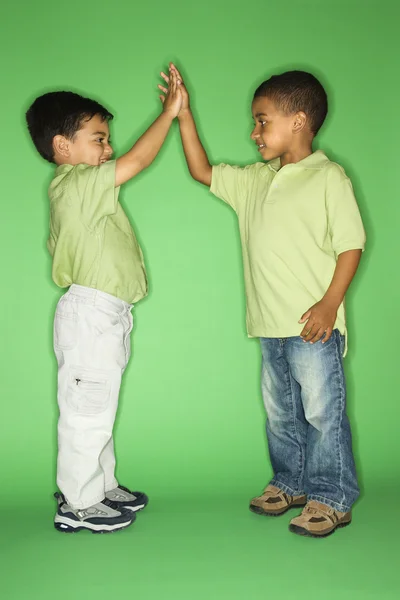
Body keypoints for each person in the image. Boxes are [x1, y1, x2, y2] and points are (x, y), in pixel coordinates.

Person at [159, 64, 366, 538]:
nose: (253, 132)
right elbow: (201, 170)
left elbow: (351, 244)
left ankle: (331, 496)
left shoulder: (329, 177)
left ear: (297, 119)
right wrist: (183, 115)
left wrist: (330, 304)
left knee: (321, 411)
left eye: (262, 120)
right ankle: (291, 483)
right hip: (268, 323)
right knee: (282, 412)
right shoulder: (254, 179)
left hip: (313, 324)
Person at [26, 69, 182, 534]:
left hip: (105, 314)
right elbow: (137, 161)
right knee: (86, 412)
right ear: (62, 146)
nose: (108, 149)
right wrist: (169, 113)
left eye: (107, 140)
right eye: (98, 139)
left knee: (99, 406)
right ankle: (77, 502)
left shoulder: (82, 191)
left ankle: (100, 484)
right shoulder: (76, 184)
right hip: (91, 314)